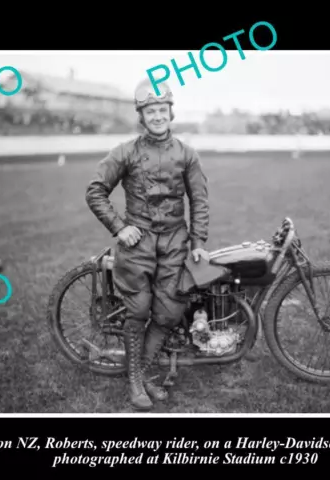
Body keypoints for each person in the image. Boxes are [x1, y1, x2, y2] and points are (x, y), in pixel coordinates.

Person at [85, 79, 210, 411]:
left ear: (171, 111)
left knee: (169, 312)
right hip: (137, 242)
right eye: (150, 111)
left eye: (162, 109)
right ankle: (137, 381)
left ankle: (140, 372)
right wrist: (119, 227)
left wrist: (198, 241)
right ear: (141, 115)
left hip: (175, 242)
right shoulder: (125, 151)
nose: (157, 116)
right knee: (138, 311)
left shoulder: (187, 153)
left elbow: (199, 201)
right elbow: (95, 190)